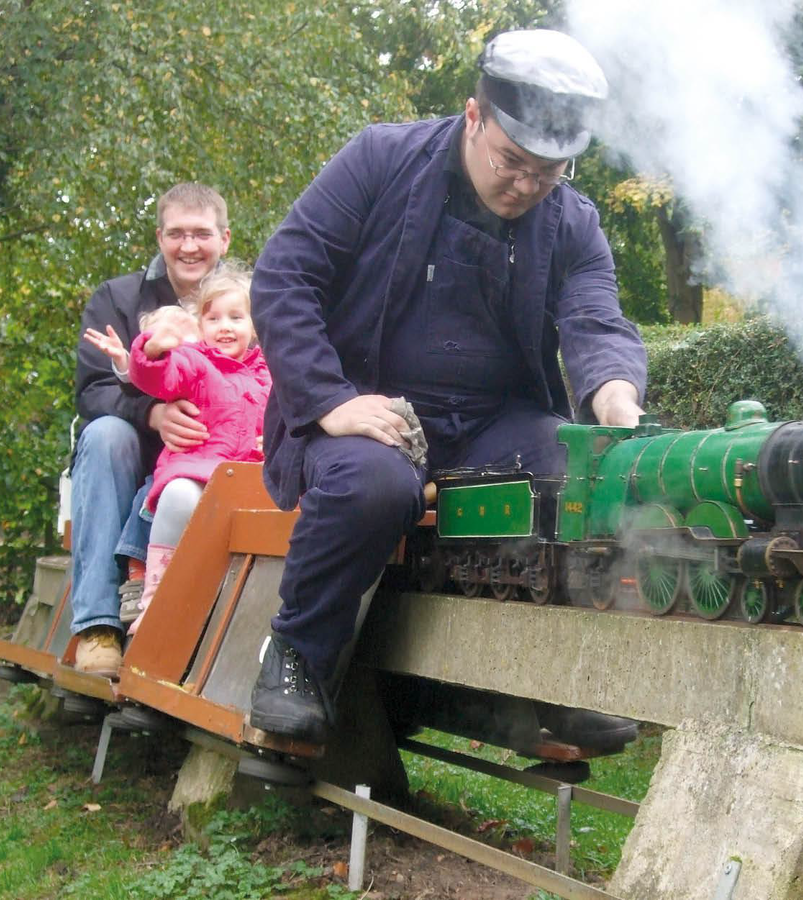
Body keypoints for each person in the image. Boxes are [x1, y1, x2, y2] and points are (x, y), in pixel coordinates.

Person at [248, 29, 647, 746]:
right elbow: (284, 275)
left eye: (549, 172)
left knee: (583, 475)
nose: (526, 186)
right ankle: (295, 658)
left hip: (493, 423)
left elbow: (595, 319)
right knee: (373, 486)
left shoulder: (574, 222)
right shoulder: (379, 158)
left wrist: (613, 397)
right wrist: (332, 402)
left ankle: (552, 685)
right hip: (374, 414)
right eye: (513, 162)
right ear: (473, 116)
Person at [71, 183, 230, 677]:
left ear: (224, 238)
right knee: (104, 435)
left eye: (201, 234)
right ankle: (98, 627)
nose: (189, 247)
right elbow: (93, 389)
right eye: (177, 233)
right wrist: (153, 416)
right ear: (160, 237)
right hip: (134, 452)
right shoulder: (117, 298)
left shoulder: (248, 304)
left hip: (219, 450)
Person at [123, 264, 269, 633]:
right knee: (179, 496)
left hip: (255, 478)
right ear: (200, 325)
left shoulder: (271, 372)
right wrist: (153, 352)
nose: (224, 326)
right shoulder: (195, 363)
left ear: (254, 325)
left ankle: (251, 611)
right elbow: (159, 378)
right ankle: (157, 596)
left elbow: (295, 413)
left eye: (236, 317)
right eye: (213, 317)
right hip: (201, 470)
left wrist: (281, 440)